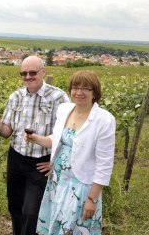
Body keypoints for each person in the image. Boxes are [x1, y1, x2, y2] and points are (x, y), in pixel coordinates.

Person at [25, 70, 115, 234]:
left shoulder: (104, 120)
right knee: (55, 227)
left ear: (94, 92)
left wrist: (92, 199)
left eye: (86, 88)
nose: (79, 92)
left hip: (80, 187)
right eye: (75, 87)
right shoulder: (64, 109)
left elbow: (104, 164)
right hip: (57, 182)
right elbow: (58, 139)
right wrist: (36, 138)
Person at [0, 56, 70, 235]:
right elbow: (7, 131)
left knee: (32, 212)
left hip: (40, 162)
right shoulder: (15, 96)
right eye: (24, 73)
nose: (28, 76)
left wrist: (55, 162)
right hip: (16, 159)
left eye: (33, 72)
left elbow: (68, 135)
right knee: (15, 206)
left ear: (43, 72)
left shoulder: (58, 97)